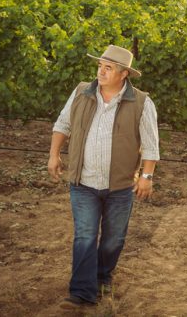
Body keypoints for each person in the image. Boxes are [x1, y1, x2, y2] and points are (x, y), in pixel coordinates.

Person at [47, 45, 159, 309]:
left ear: (123, 74)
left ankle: (102, 276)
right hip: (83, 182)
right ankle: (82, 293)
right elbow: (62, 125)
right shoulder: (81, 93)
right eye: (100, 66)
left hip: (119, 186)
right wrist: (54, 154)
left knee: (113, 240)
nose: (101, 71)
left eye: (108, 67)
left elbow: (151, 144)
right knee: (85, 235)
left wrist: (147, 176)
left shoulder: (142, 102)